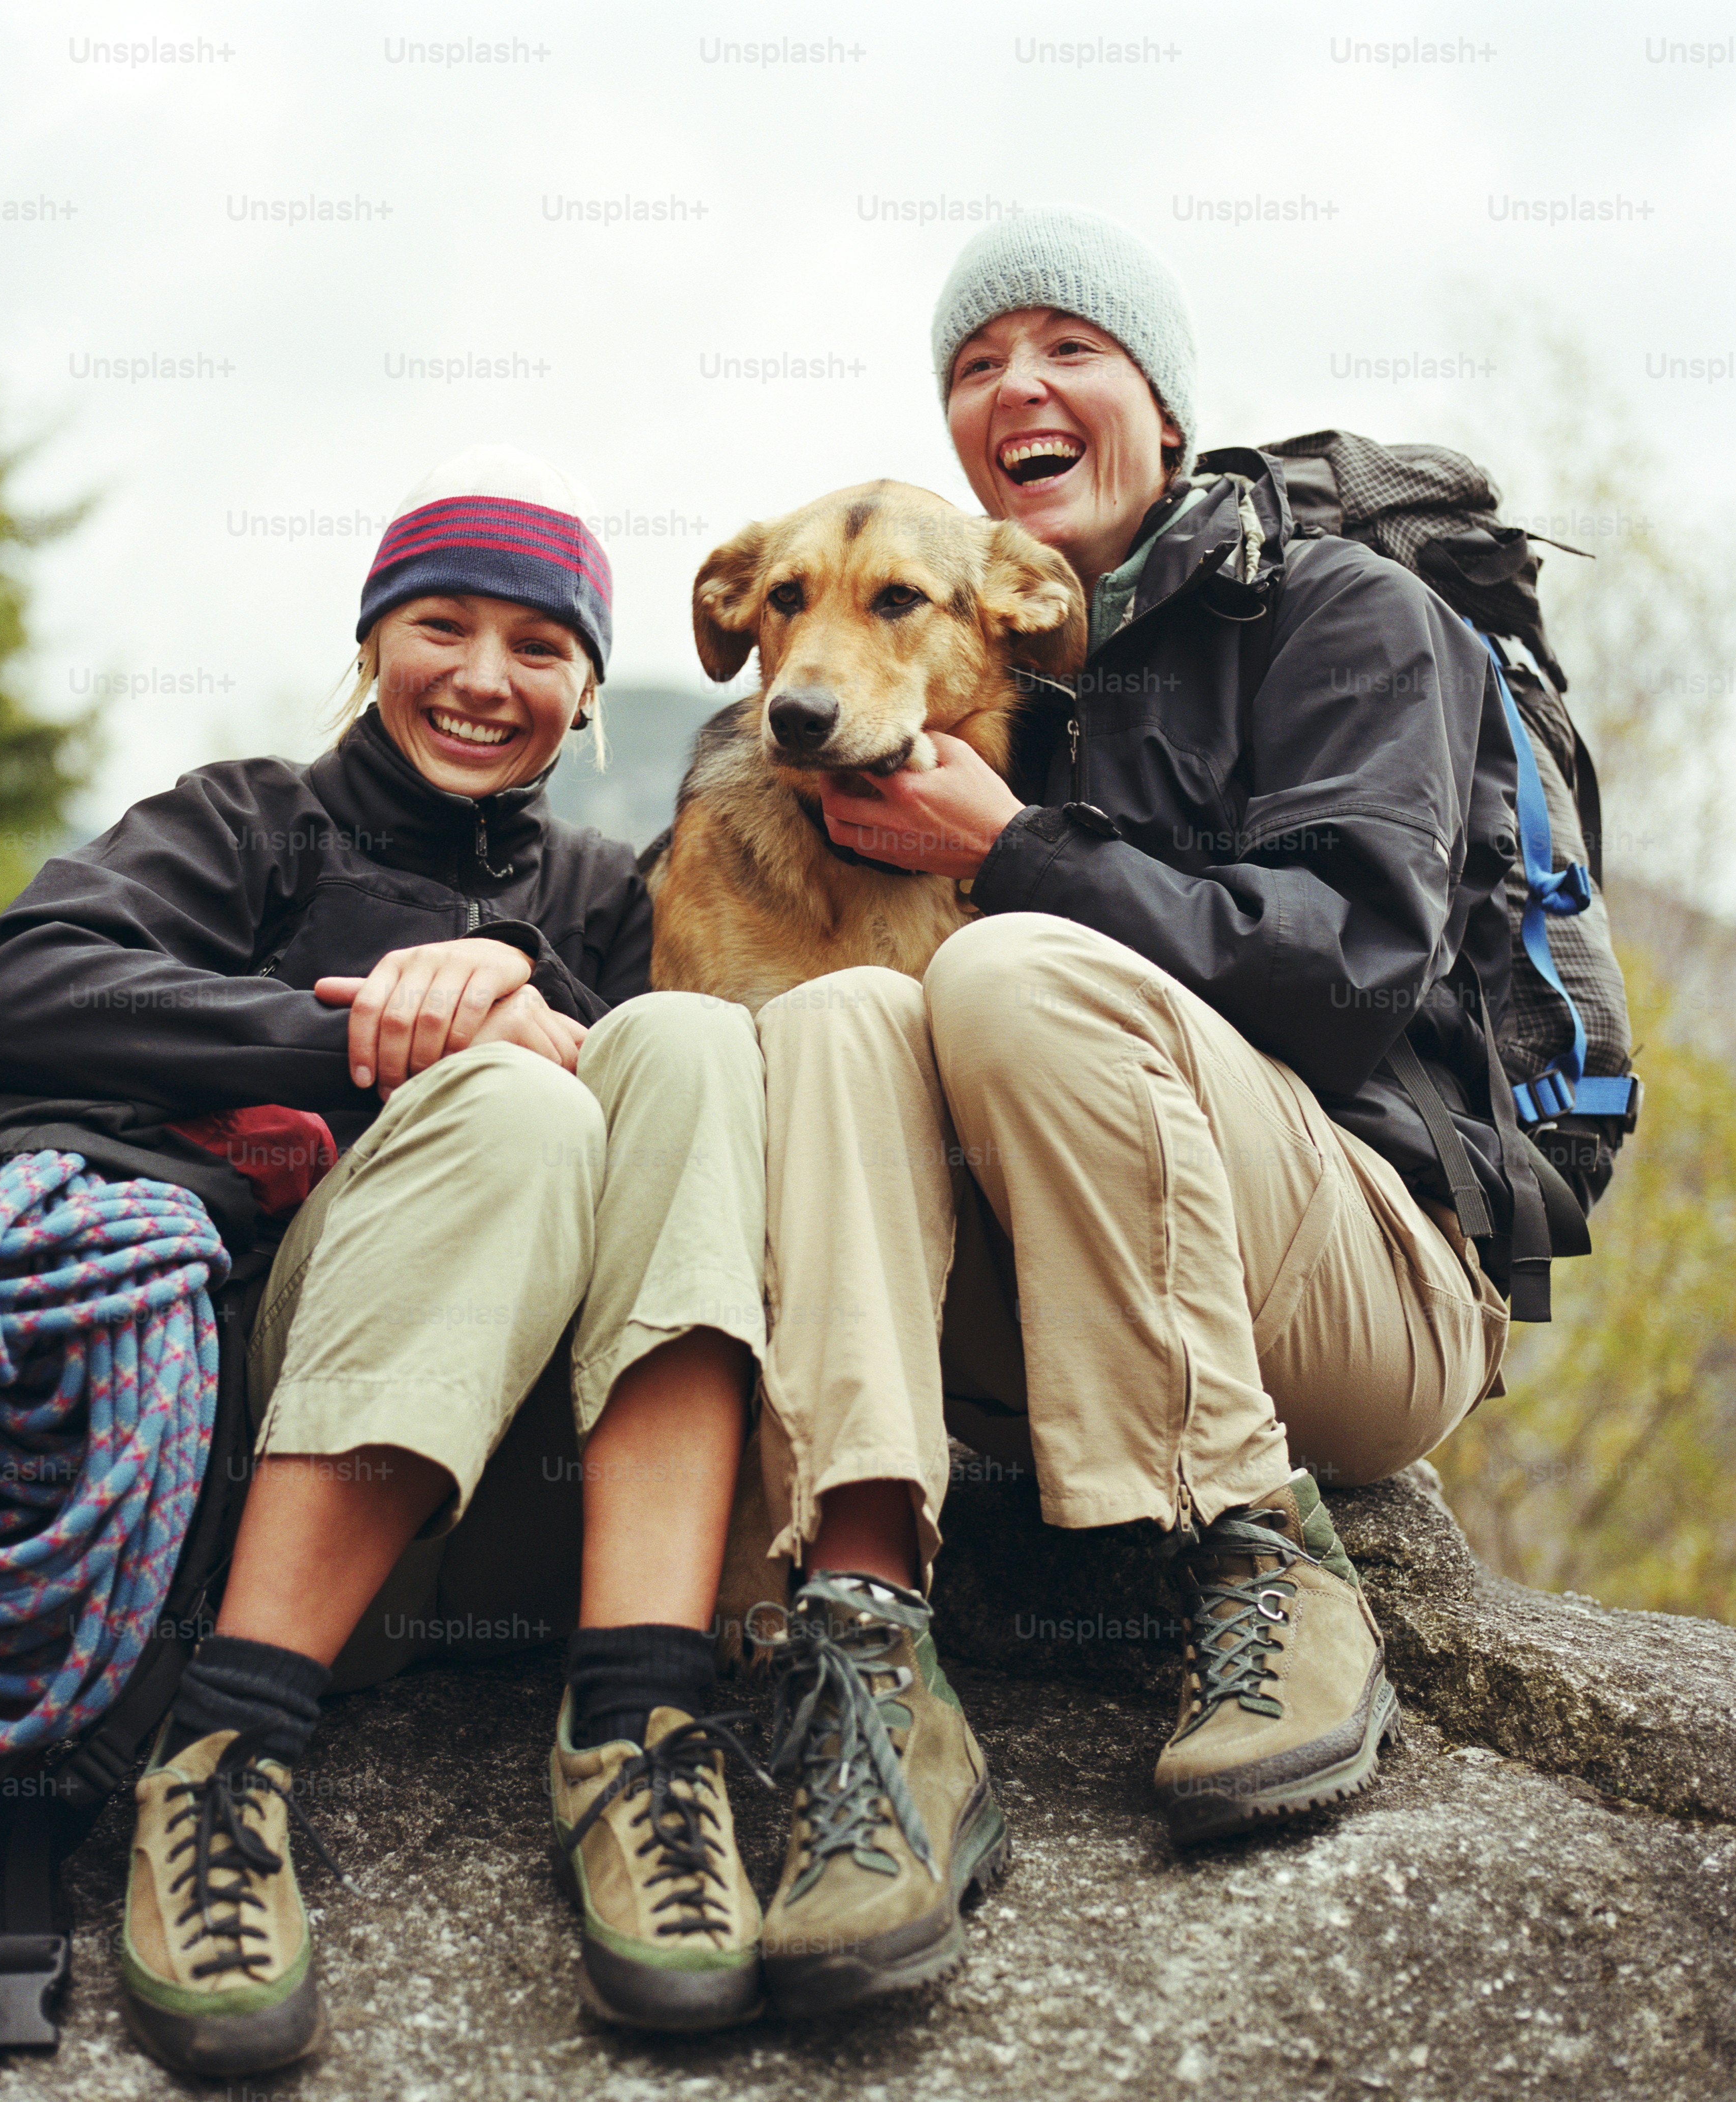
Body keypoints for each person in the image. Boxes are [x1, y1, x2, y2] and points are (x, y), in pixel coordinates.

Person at [742, 207, 1515, 2011]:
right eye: (970, 365)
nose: (1014, 386)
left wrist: (1008, 850)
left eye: (1065, 348)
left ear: (1161, 404)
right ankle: (871, 1666)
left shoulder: (1336, 614)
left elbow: (1346, 975)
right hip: (1042, 1305)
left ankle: (1263, 1558)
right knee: (846, 1011)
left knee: (1002, 967)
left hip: (1355, 1289)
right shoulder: (951, 675)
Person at [0, 448, 771, 2072]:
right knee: (513, 1114)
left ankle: (638, 1727)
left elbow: (683, 1154)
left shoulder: (609, 900)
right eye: (440, 627)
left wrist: (536, 1010)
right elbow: (15, 989)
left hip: (521, 1496)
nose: (482, 677)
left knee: (684, 1045)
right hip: (266, 1454)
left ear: (588, 691)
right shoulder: (251, 822)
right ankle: (224, 1751)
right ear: (373, 646)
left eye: (539, 648)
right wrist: (367, 1039)